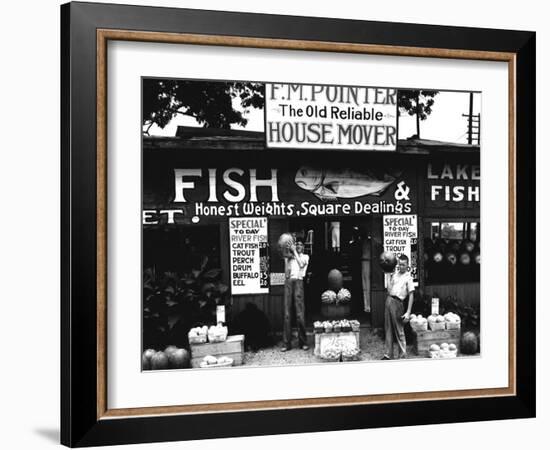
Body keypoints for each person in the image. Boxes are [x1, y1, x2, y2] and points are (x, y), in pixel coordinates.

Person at [382, 254, 414, 360]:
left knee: (399, 330)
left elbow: (411, 295)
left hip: (398, 303)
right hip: (389, 300)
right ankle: (388, 354)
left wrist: (408, 312)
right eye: (400, 264)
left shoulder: (408, 278)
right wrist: (389, 277)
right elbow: (389, 290)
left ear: (407, 265)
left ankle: (402, 355)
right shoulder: (394, 275)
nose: (401, 267)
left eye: (404, 265)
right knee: (388, 329)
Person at [282, 239, 310, 351]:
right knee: (287, 314)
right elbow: (286, 273)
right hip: (289, 282)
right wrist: (287, 260)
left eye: (300, 244)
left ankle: (303, 342)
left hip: (298, 282)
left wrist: (294, 252)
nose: (298, 246)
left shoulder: (305, 256)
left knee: (299, 314)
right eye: (296, 244)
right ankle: (286, 344)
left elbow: (302, 265)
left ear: (303, 247)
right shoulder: (289, 258)